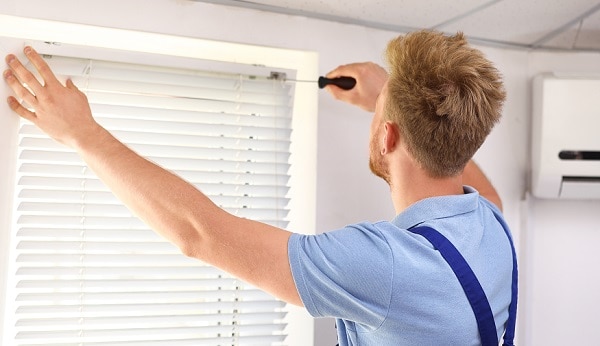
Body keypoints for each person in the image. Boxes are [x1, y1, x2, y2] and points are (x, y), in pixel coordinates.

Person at [3, 30, 517, 345]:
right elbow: (473, 179)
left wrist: (83, 134)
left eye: (380, 116)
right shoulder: (488, 227)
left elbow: (198, 233)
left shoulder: (384, 266)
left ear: (387, 136)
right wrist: (389, 97)